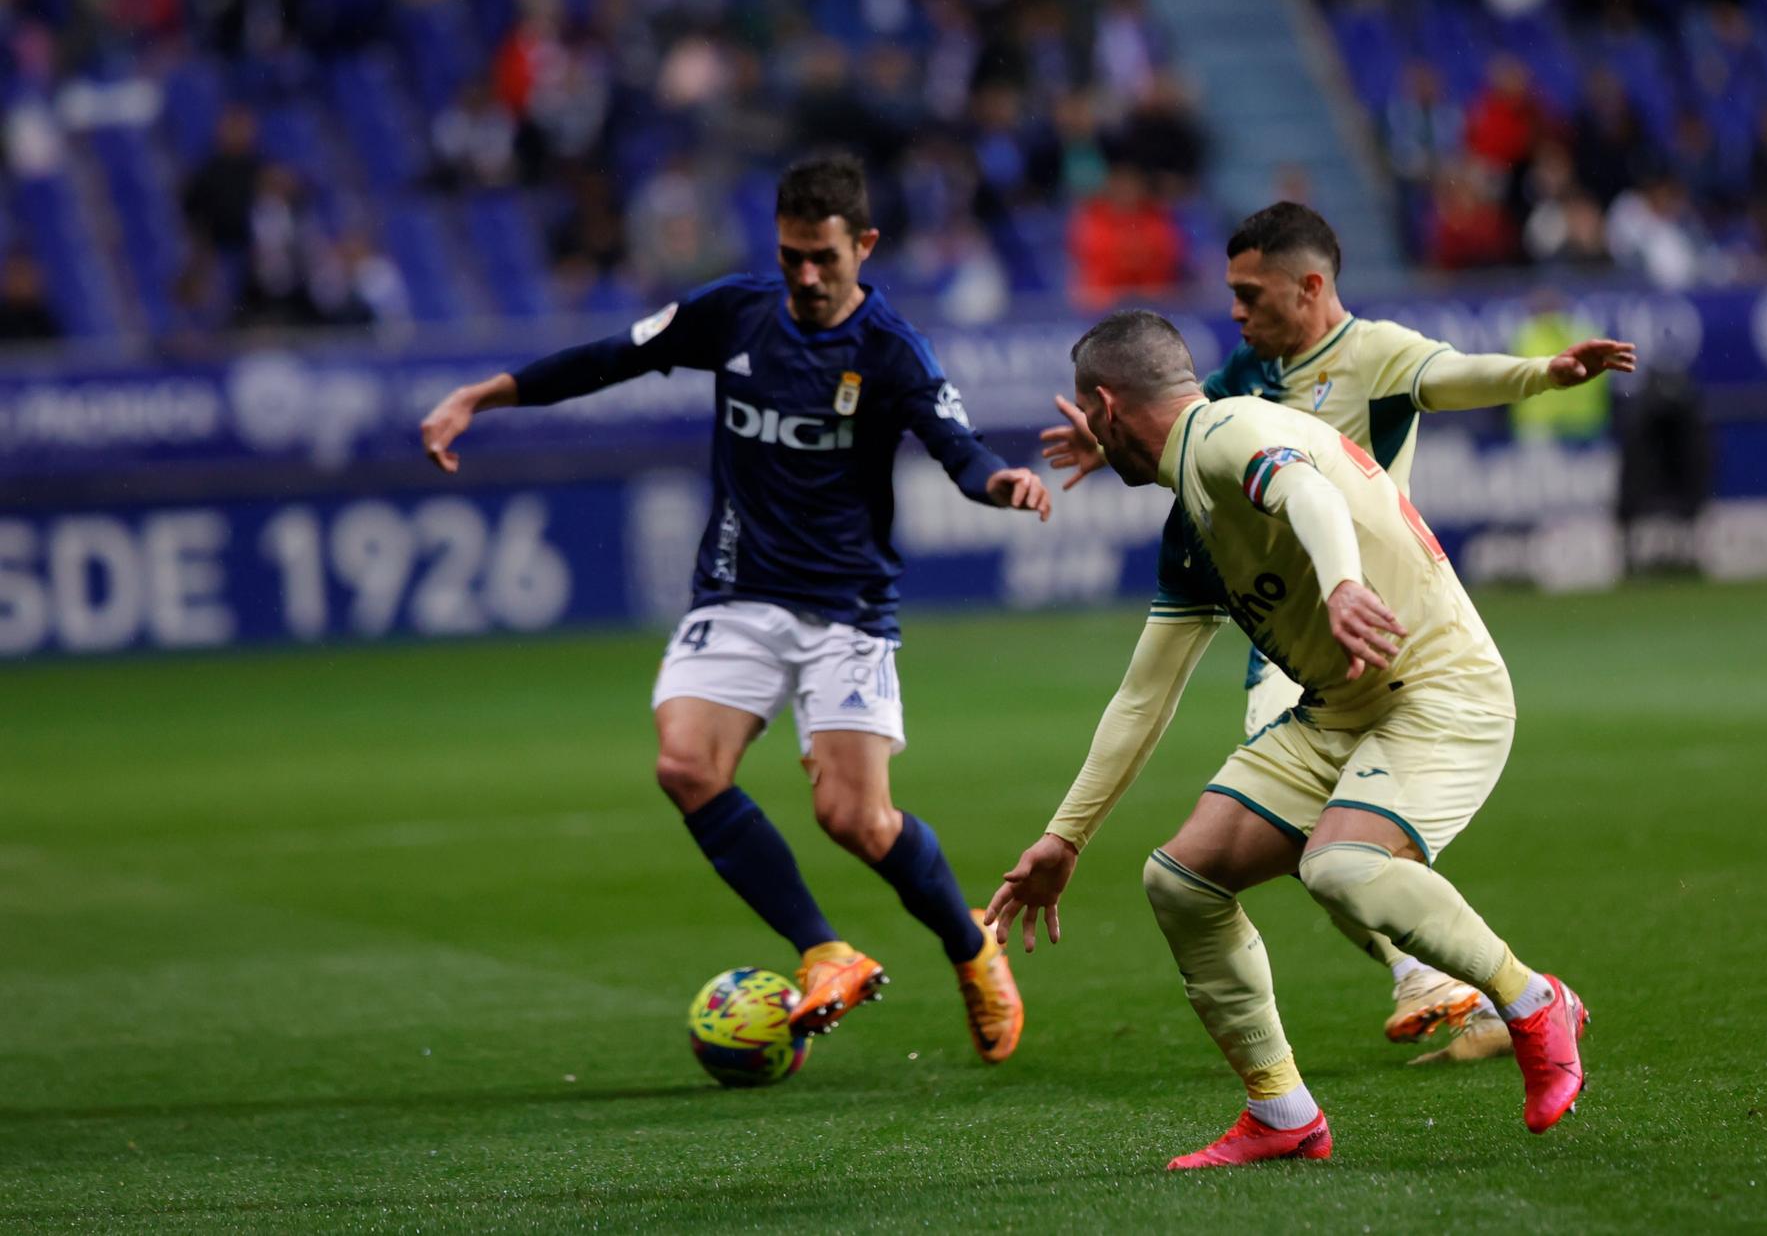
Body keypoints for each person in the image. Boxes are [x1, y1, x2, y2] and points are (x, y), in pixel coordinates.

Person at [418, 155, 1046, 1062]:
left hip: (847, 608)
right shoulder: (733, 312)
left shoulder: (891, 351)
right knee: (685, 767)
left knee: (855, 820)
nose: (805, 275)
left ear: (863, 246)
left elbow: (959, 448)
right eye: (791, 255)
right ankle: (827, 950)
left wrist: (1004, 483)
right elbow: (609, 359)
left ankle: (969, 944)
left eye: (823, 257)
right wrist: (487, 394)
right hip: (739, 591)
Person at [986, 310, 1590, 1169]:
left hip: (1439, 692)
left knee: (1341, 868)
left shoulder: (1228, 432)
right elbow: (1142, 698)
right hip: (1343, 708)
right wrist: (1065, 836)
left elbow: (1306, 491)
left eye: (1086, 415)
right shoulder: (1190, 513)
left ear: (1106, 408)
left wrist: (1342, 587)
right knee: (1182, 881)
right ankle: (1282, 1111)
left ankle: (1534, 1002)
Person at [1038, 202, 1632, 1063]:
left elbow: (1454, 378)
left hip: (1374, 608)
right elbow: (1181, 431)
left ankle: (1457, 983)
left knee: (1333, 847)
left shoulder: (1372, 352)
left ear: (1310, 286)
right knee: (1268, 852)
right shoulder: (1247, 372)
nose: (1236, 314)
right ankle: (1425, 986)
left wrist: (1541, 375)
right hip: (1295, 613)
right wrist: (1122, 438)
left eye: (1251, 293)